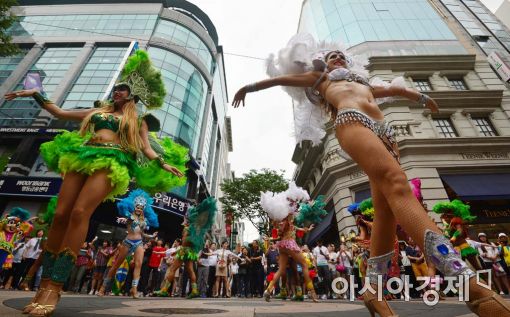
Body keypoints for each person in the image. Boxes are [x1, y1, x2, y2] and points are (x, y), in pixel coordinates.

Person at [232, 34, 510, 316]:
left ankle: (373, 290)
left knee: (385, 210)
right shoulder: (322, 80)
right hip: (351, 122)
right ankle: (471, 286)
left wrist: (423, 98)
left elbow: (396, 91)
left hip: (385, 134)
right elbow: (282, 80)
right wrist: (249, 87)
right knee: (398, 183)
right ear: (324, 66)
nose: (336, 58)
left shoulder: (364, 83)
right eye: (331, 57)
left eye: (339, 56)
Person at [5, 49, 186, 316]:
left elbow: (147, 149)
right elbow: (61, 111)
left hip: (112, 161)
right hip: (82, 155)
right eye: (116, 88)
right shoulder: (98, 112)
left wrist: (163, 163)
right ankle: (41, 286)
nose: (117, 92)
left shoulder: (137, 121)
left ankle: (55, 286)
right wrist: (36, 95)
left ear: (132, 95)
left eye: (123, 89)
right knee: (61, 215)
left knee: (80, 213)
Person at [260, 182, 318, 302]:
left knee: (281, 270)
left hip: (282, 247)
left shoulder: (288, 221)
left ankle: (268, 290)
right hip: (290, 244)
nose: (294, 207)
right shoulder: (287, 219)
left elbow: (296, 228)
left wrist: (306, 229)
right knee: (305, 265)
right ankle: (313, 293)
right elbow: (287, 227)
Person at [98, 189, 159, 298]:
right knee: (116, 264)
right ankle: (103, 287)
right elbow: (126, 216)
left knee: (138, 264)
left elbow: (142, 233)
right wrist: (129, 216)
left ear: (144, 208)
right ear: (134, 206)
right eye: (137, 206)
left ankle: (134, 289)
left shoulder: (143, 221)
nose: (139, 208)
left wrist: (151, 236)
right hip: (127, 242)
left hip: (139, 242)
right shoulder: (129, 216)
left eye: (141, 207)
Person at [155, 197, 217, 298]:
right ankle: (195, 290)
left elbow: (184, 242)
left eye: (185, 217)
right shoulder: (195, 230)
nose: (183, 219)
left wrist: (181, 248)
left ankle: (164, 290)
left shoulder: (187, 229)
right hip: (191, 252)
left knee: (172, 269)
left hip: (184, 251)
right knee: (191, 270)